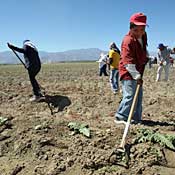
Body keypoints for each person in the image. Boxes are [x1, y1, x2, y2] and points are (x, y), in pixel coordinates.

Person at [115, 12, 149, 123]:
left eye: (142, 30)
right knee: (130, 95)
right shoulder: (127, 40)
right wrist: (136, 75)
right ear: (131, 28)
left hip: (138, 70)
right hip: (128, 72)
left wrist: (146, 55)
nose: (139, 33)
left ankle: (135, 118)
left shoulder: (143, 36)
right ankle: (121, 117)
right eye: (136, 30)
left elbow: (143, 49)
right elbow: (127, 61)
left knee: (138, 96)